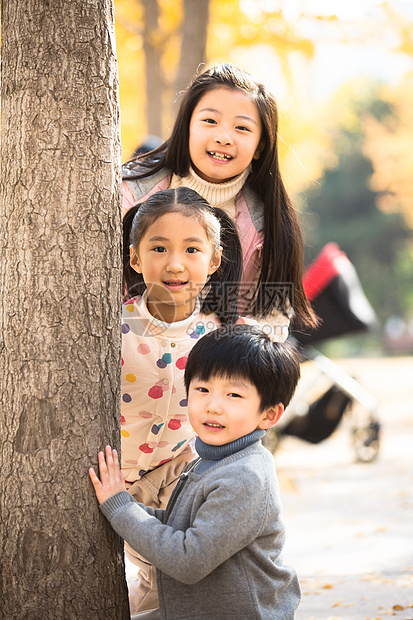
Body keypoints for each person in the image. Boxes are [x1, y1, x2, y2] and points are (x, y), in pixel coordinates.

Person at [89, 325, 301, 620]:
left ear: (269, 414)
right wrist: (122, 503)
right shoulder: (213, 459)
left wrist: (120, 507)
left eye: (234, 395)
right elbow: (180, 525)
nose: (213, 406)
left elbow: (188, 560)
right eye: (202, 389)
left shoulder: (245, 475)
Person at [122, 62, 317, 336]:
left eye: (242, 128)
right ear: (186, 126)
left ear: (261, 146)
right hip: (132, 359)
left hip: (217, 369)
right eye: (210, 121)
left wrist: (232, 343)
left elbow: (273, 318)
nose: (224, 137)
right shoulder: (130, 194)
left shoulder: (268, 223)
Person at [120, 187, 244, 612]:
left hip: (177, 470)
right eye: (159, 248)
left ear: (213, 260)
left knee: (172, 573)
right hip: (111, 474)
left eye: (192, 249)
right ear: (135, 258)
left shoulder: (218, 333)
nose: (175, 264)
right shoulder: (111, 325)